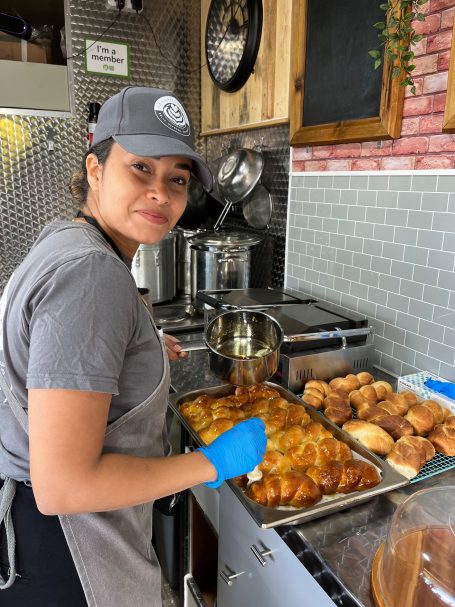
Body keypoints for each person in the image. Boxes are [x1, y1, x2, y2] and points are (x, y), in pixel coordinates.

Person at [0, 86, 267, 607]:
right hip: (71, 552)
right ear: (96, 169)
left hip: (34, 538)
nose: (160, 193)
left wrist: (135, 344)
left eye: (177, 179)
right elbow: (64, 487)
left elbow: (54, 348)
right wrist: (210, 464)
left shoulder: (68, 238)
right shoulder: (92, 274)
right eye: (140, 167)